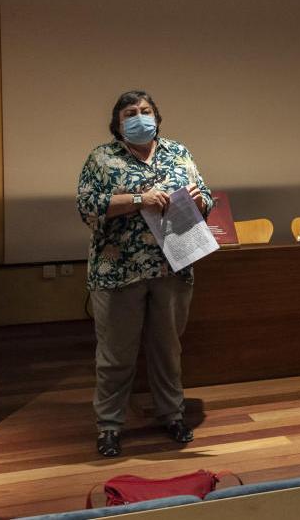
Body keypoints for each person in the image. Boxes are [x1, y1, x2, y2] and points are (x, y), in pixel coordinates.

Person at [77, 90, 214, 456]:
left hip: (173, 266)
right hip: (118, 271)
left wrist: (200, 200)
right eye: (131, 113)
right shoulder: (102, 158)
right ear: (117, 122)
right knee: (116, 355)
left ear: (157, 115)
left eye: (146, 110)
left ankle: (172, 414)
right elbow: (88, 205)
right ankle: (109, 426)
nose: (140, 117)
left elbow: (206, 195)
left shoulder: (178, 153)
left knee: (167, 350)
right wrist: (140, 200)